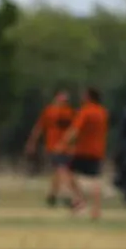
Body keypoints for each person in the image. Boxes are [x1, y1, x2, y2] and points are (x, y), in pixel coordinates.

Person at [57, 87, 108, 219]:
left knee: (66, 171)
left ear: (89, 97)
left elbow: (75, 129)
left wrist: (63, 143)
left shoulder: (85, 111)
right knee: (95, 180)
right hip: (98, 151)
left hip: (83, 150)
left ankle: (80, 199)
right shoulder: (103, 112)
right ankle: (96, 211)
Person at [24, 89, 75, 207]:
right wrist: (32, 142)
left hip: (67, 147)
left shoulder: (70, 112)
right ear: (56, 98)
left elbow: (75, 130)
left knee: (60, 170)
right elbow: (39, 128)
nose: (63, 102)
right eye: (61, 99)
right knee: (61, 169)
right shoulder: (49, 111)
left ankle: (52, 196)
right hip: (54, 147)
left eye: (65, 100)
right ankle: (66, 195)